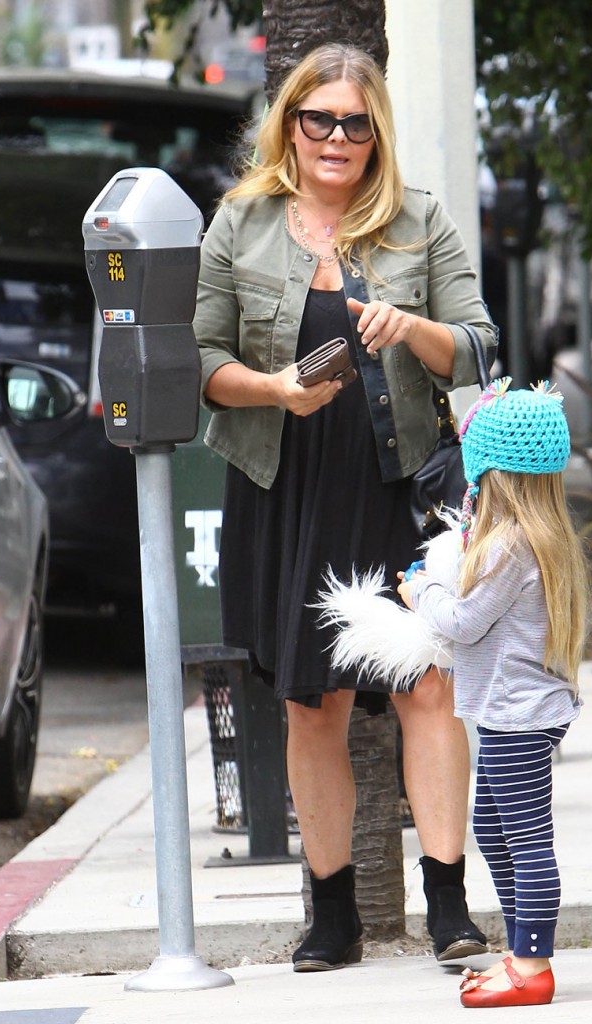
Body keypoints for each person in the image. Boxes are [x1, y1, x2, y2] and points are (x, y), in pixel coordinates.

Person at [192, 41, 497, 973]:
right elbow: (202, 365)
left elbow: (479, 345)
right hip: (285, 489)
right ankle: (332, 917)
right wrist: (276, 389)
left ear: (377, 134)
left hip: (398, 486)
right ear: (290, 124)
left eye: (355, 124)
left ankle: (448, 906)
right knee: (311, 704)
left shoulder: (419, 220)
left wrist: (416, 330)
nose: (336, 137)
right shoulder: (239, 224)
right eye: (317, 118)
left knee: (428, 687)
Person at [396, 378, 591, 1008]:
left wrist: (420, 589)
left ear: (494, 473)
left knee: (525, 836)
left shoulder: (509, 546)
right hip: (518, 710)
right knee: (493, 825)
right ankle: (520, 953)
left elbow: (462, 623)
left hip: (518, 714)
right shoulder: (537, 537)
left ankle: (533, 965)